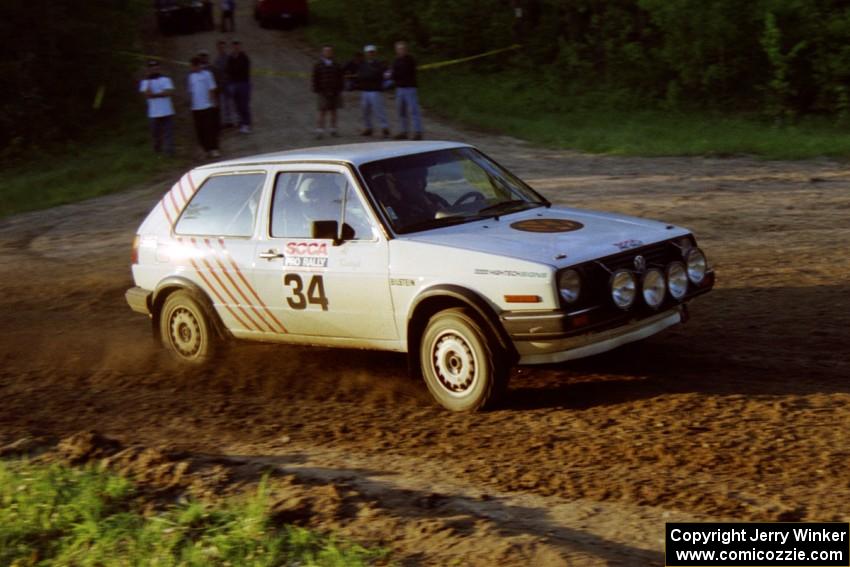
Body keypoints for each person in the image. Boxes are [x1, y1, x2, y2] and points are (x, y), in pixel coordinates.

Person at [139, 60, 175, 156]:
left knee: (168, 133)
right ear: (149, 69)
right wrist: (149, 81)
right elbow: (147, 94)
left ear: (159, 68)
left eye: (156, 67)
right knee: (155, 134)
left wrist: (155, 94)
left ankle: (169, 153)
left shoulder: (166, 79)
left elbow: (169, 92)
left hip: (166, 110)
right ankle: (157, 152)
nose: (154, 69)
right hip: (154, 113)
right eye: (152, 68)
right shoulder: (145, 82)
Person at [187, 56, 220, 158]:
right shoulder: (190, 77)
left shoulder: (207, 74)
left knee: (210, 128)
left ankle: (214, 148)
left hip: (207, 106)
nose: (191, 68)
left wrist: (213, 102)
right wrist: (191, 104)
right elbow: (191, 92)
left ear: (197, 65)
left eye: (193, 66)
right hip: (196, 108)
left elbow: (211, 88)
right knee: (200, 130)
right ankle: (205, 150)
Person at [391, 41, 423, 140]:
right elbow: (394, 73)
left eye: (402, 49)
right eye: (399, 49)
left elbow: (403, 72)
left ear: (406, 49)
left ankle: (418, 132)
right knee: (401, 110)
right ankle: (404, 131)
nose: (401, 51)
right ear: (396, 50)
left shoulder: (410, 60)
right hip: (400, 88)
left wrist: (394, 75)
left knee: (414, 110)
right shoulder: (396, 60)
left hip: (410, 88)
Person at [357, 45, 390, 138]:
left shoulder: (379, 64)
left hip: (375, 90)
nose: (370, 54)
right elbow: (361, 75)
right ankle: (368, 128)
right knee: (365, 111)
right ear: (366, 54)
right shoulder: (363, 64)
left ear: (375, 53)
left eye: (372, 52)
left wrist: (370, 75)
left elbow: (380, 74)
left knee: (379, 110)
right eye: (368, 52)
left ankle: (385, 128)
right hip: (365, 90)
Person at [311, 45, 344, 139]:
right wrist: (316, 89)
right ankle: (319, 131)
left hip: (335, 91)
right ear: (323, 52)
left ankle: (334, 130)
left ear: (332, 53)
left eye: (330, 51)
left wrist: (340, 89)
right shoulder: (318, 65)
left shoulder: (337, 64)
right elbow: (315, 78)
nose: (328, 53)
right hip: (323, 91)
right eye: (326, 51)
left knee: (334, 111)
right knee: (322, 112)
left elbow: (340, 78)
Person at [227, 40, 252, 133]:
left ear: (240, 47)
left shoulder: (244, 57)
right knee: (237, 105)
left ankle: (247, 124)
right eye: (234, 46)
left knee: (244, 105)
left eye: (237, 46)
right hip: (234, 84)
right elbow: (228, 70)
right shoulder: (230, 58)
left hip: (243, 83)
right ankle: (242, 123)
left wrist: (234, 72)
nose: (236, 48)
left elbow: (243, 70)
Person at [213, 40, 237, 128]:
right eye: (220, 47)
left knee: (232, 103)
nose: (221, 49)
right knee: (224, 104)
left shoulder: (229, 58)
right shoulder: (216, 61)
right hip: (221, 85)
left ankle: (234, 120)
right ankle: (227, 121)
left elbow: (234, 71)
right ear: (217, 48)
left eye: (223, 47)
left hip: (229, 83)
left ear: (225, 48)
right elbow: (215, 74)